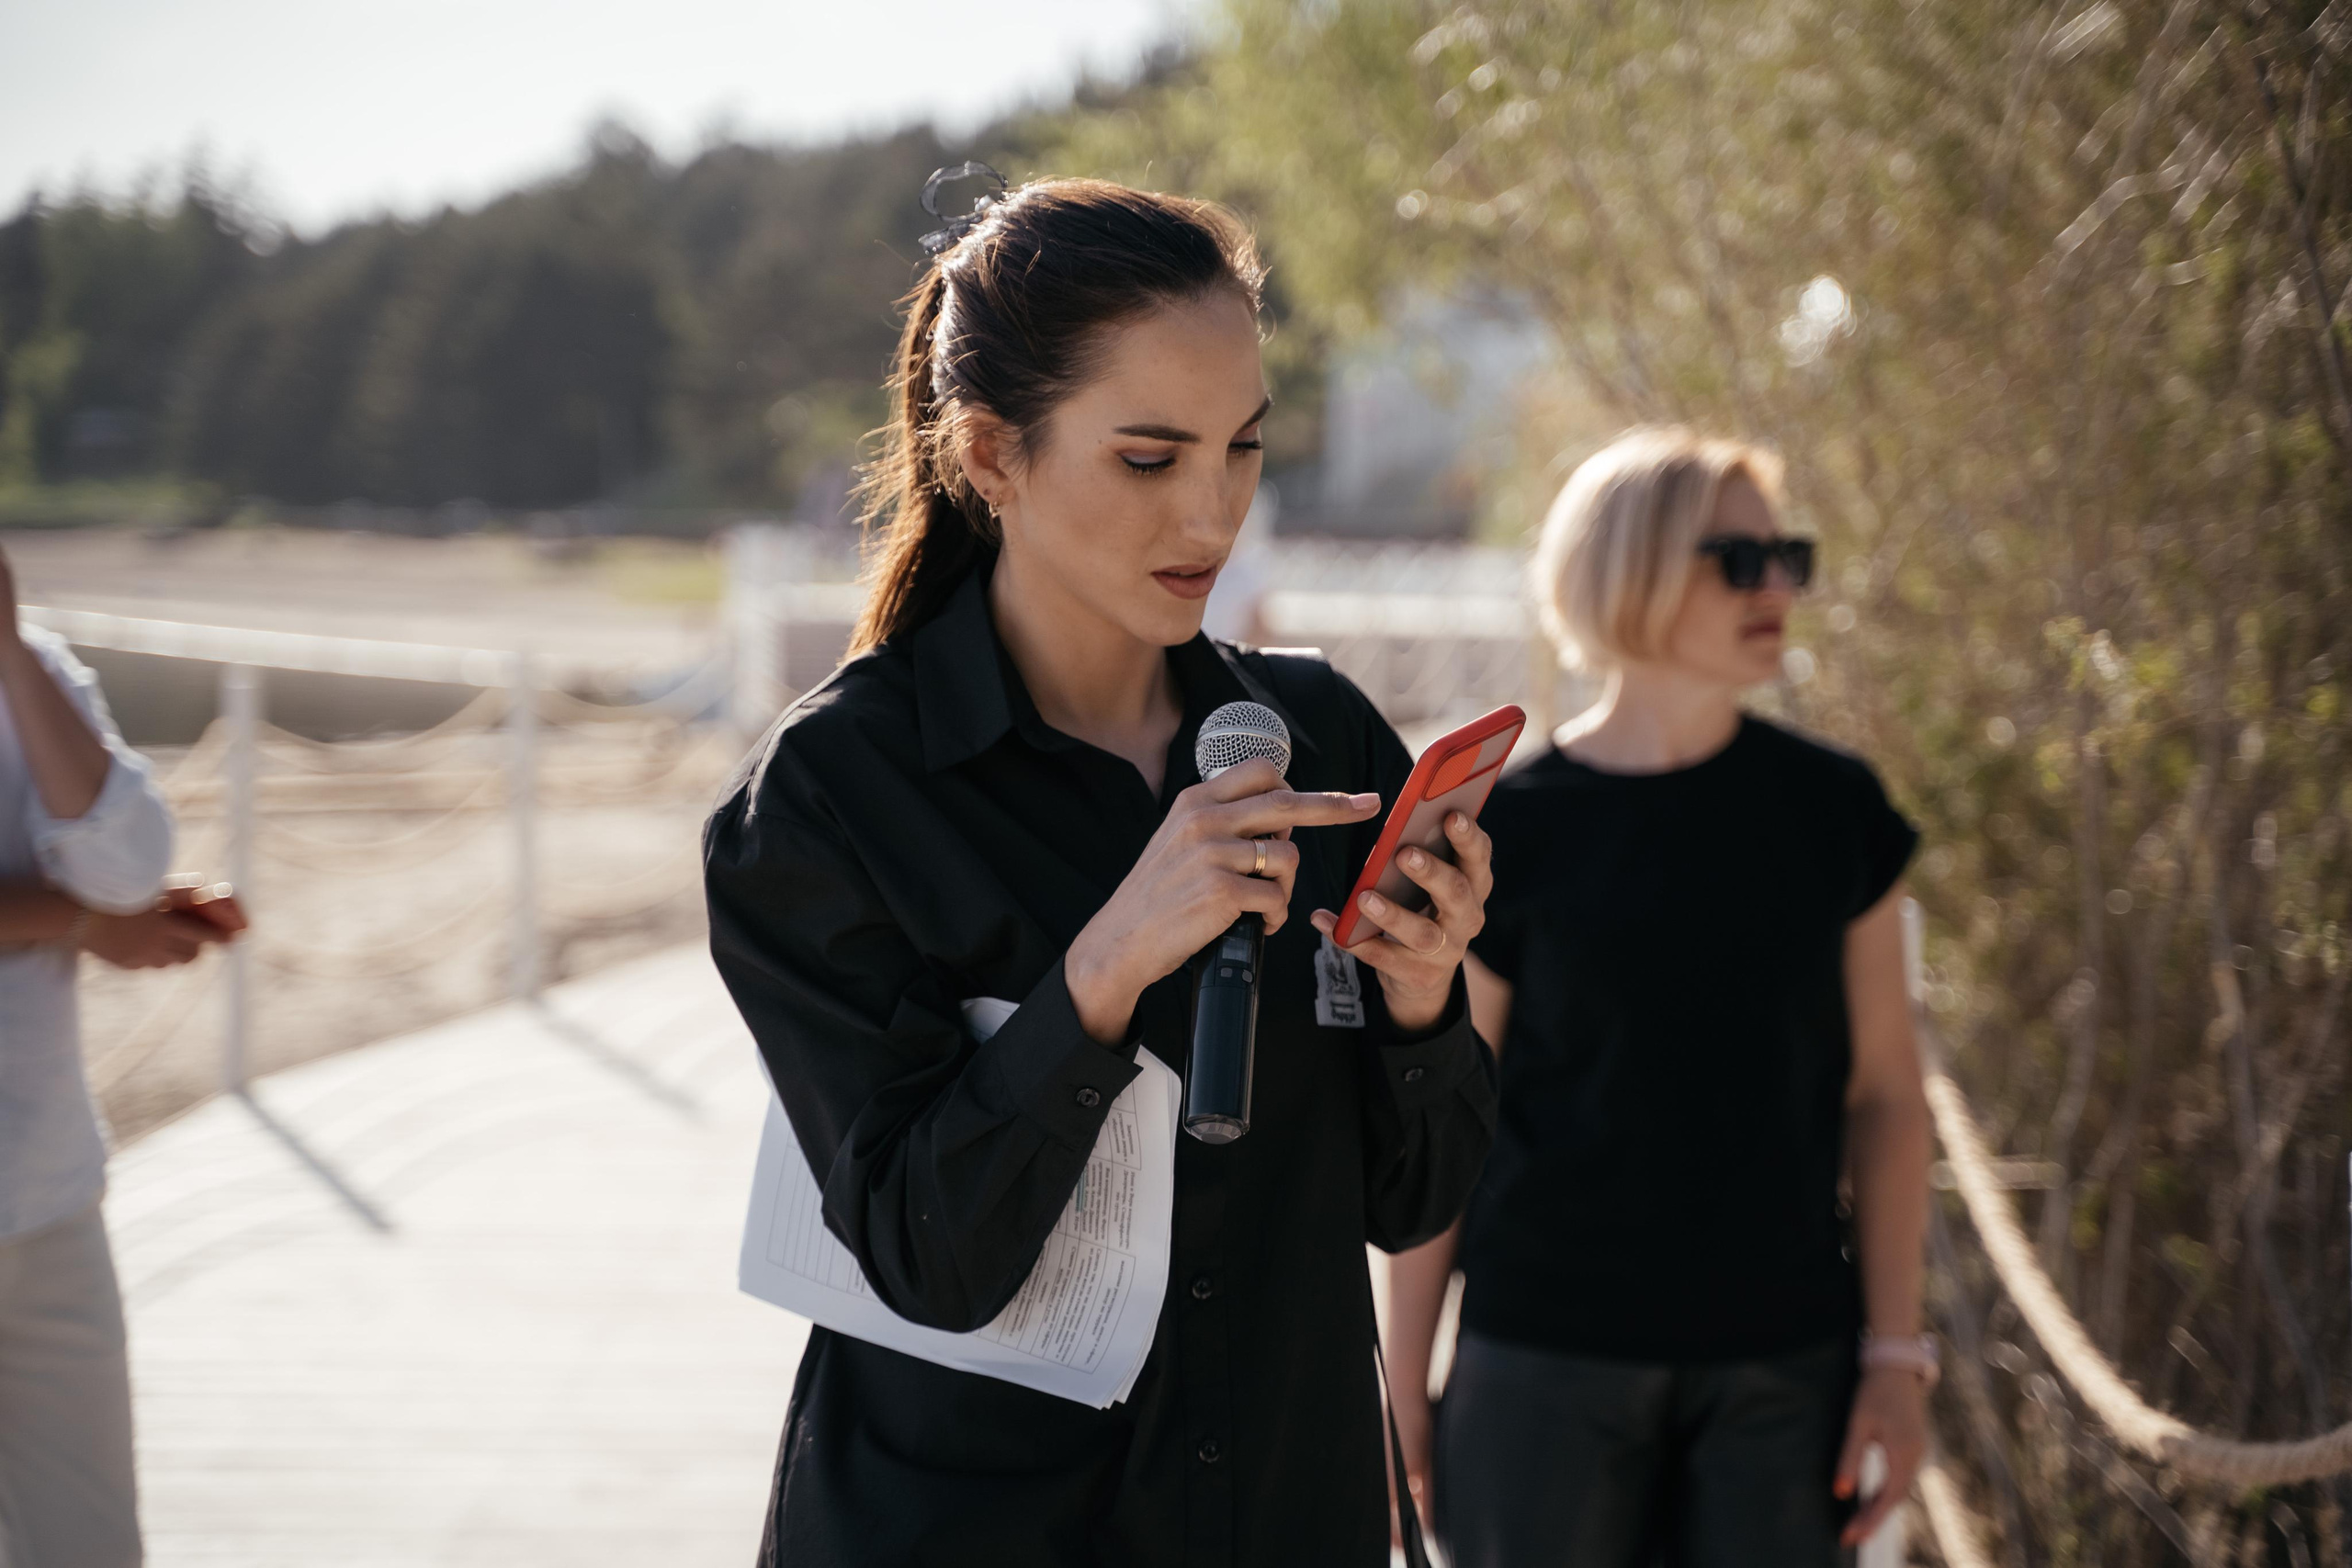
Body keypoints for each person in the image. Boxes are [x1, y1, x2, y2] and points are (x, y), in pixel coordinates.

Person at [703, 171, 1499, 1567]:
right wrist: (1106, 968)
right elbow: (925, 1248)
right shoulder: (835, 794)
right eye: (1150, 457)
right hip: (965, 1528)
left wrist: (1428, 1003)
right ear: (992, 454)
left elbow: (1413, 1199)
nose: (1212, 514)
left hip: (1282, 1514)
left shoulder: (1320, 739)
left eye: (1245, 448)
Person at [1380, 428, 1934, 1566]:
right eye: (1737, 559)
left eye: (1786, 556)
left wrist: (1896, 1354)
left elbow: (1886, 1096)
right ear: (1626, 568)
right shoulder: (1504, 834)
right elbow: (1446, 1126)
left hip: (1784, 1375)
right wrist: (1400, 1389)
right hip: (1539, 1369)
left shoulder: (1834, 813)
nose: (1775, 585)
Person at [0, 544, 244, 1568]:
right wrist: (77, 922)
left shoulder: (37, 670)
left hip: (41, 1194)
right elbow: (98, 898)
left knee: (89, 1544)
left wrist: (9, 653)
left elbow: (128, 862)